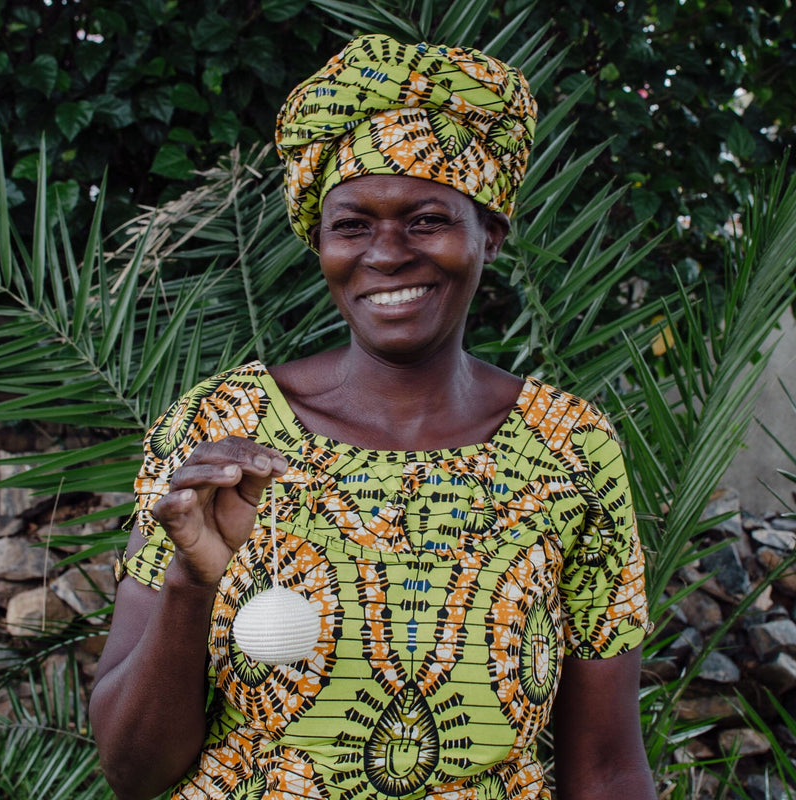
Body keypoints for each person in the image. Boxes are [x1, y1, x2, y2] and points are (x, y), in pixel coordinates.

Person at [90, 33, 655, 800]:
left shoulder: (569, 448)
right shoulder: (224, 429)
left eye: (426, 219)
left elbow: (609, 766)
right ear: (320, 243)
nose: (386, 253)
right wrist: (193, 587)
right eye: (352, 225)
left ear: (488, 232)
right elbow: (131, 772)